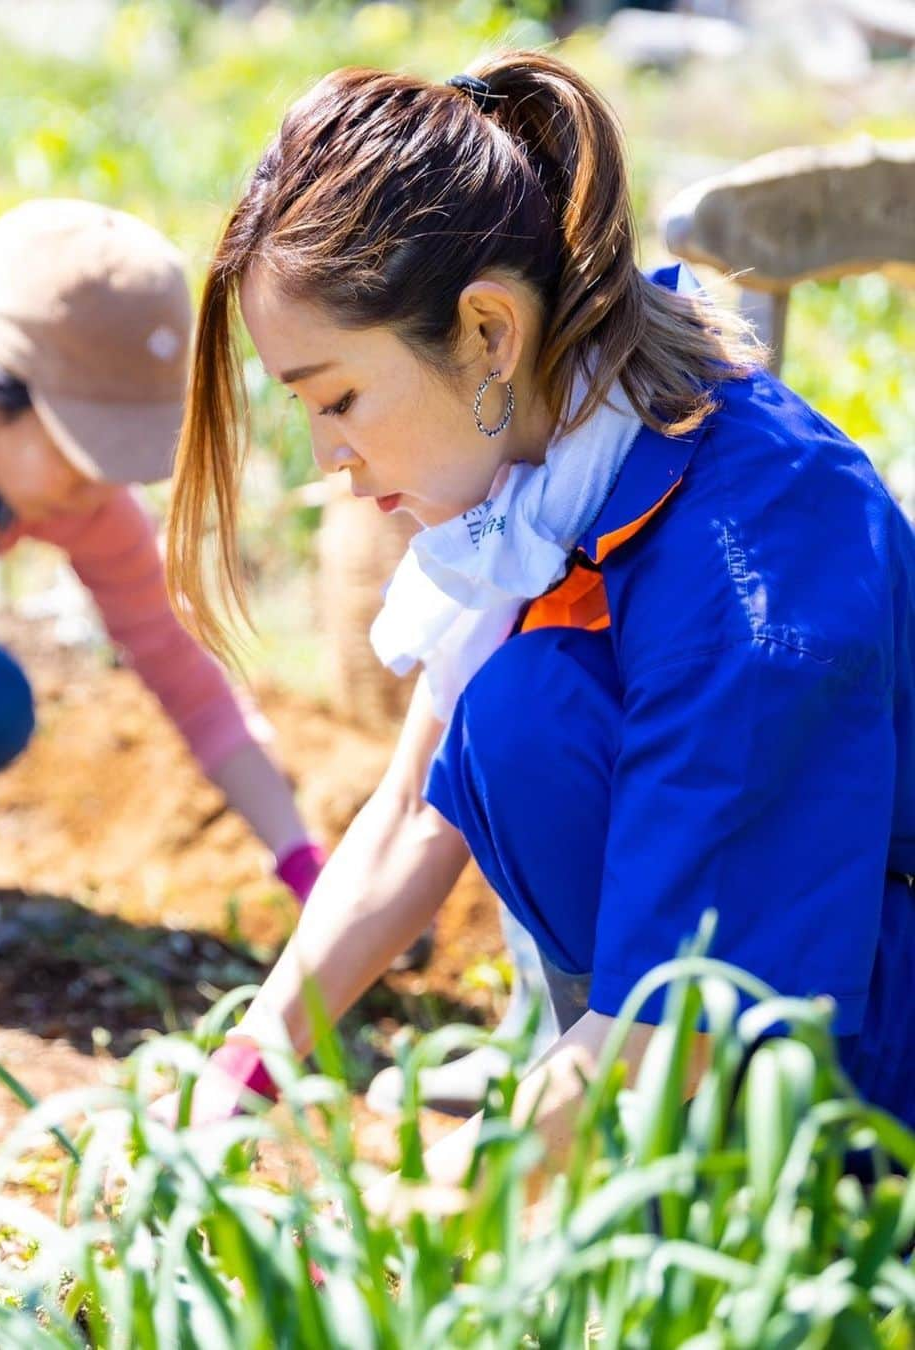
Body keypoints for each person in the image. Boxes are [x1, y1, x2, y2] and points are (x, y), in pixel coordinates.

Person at [162, 50, 915, 1165]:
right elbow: (417, 809)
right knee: (520, 717)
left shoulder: (752, 562)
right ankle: (633, 1154)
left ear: (488, 334)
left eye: (340, 399)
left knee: (531, 716)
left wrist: (448, 1198)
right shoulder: (549, 474)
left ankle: (774, 1202)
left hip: (866, 1033)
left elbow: (683, 1018)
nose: (328, 456)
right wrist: (250, 1065)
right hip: (719, 1021)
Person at [0, 199, 324, 1032]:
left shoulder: (65, 487)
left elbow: (184, 672)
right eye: (84, 450)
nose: (102, 489)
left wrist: (309, 869)